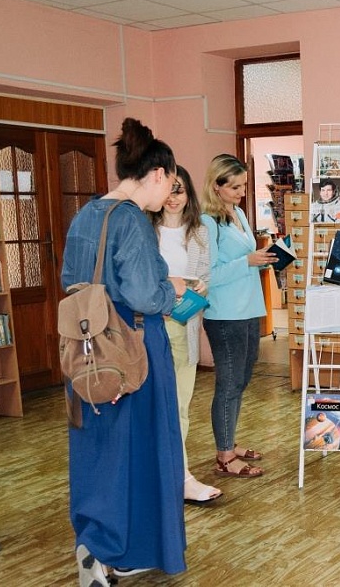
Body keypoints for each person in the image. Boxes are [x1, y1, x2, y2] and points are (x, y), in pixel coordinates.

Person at [61, 118, 187, 585]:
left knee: (98, 445)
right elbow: (142, 295)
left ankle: (96, 542)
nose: (167, 196)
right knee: (143, 446)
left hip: (87, 346)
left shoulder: (87, 214)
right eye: (170, 184)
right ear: (158, 173)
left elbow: (69, 282)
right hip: (133, 345)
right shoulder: (132, 218)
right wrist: (169, 291)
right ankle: (125, 548)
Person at [149, 165, 222, 505]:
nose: (174, 198)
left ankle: (178, 475)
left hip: (184, 323)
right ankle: (173, 477)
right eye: (170, 189)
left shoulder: (199, 232)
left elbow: (205, 274)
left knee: (180, 405)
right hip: (150, 325)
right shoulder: (146, 231)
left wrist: (199, 286)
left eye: (180, 190)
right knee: (155, 406)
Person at [201, 154, 277, 478]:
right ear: (216, 186)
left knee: (242, 380)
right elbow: (208, 275)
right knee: (229, 383)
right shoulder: (207, 222)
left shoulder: (240, 214)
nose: (241, 192)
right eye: (234, 187)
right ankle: (224, 455)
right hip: (224, 314)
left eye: (244, 185)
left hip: (248, 308)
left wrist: (264, 259)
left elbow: (246, 258)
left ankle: (229, 442)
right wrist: (247, 261)